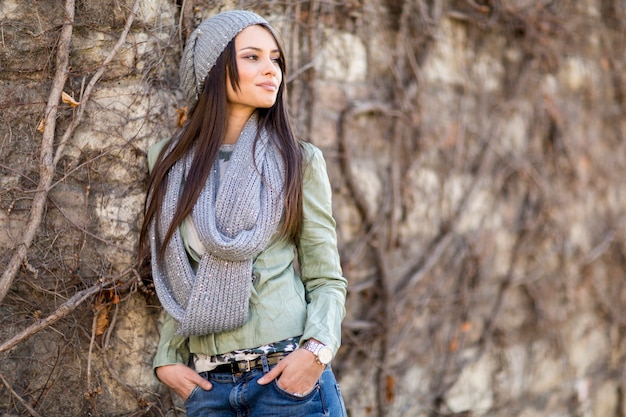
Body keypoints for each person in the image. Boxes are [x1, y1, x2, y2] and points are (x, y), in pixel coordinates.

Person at [138, 10, 348, 417]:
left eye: (275, 59)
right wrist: (167, 359)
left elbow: (327, 278)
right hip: (209, 391)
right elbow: (177, 274)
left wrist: (316, 353)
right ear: (212, 70)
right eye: (252, 57)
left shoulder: (298, 160)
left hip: (286, 385)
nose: (271, 70)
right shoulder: (168, 160)